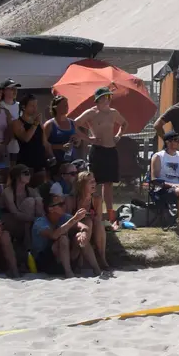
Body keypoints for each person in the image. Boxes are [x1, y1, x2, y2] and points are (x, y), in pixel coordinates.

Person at [74, 87, 127, 230]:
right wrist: (88, 139)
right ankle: (94, 214)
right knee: (94, 183)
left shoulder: (113, 112)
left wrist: (118, 136)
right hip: (97, 150)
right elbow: (75, 124)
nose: (107, 100)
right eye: (104, 97)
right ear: (97, 99)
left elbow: (124, 123)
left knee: (108, 184)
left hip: (111, 150)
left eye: (108, 97)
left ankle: (110, 216)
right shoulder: (91, 112)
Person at [31, 195, 100, 277]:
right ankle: (68, 273)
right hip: (47, 264)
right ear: (51, 209)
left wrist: (84, 233)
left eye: (64, 203)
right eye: (60, 204)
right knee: (62, 238)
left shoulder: (64, 217)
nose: (64, 206)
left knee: (79, 236)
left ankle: (97, 270)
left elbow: (83, 226)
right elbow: (54, 235)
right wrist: (74, 219)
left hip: (67, 260)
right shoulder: (40, 223)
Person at [70, 170, 111, 272]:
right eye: (90, 182)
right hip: (76, 227)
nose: (94, 184)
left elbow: (98, 218)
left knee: (98, 223)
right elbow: (68, 219)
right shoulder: (72, 199)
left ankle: (102, 257)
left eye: (94, 181)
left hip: (91, 228)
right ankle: (82, 257)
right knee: (88, 222)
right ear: (82, 184)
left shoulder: (96, 199)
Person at [0, 163, 44, 248]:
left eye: (29, 173)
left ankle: (35, 239)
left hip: (27, 221)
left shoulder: (31, 190)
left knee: (38, 200)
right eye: (26, 173)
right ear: (17, 176)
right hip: (10, 221)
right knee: (30, 202)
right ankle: (29, 243)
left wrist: (40, 219)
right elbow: (15, 213)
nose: (29, 175)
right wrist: (35, 219)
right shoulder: (8, 191)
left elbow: (41, 206)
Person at [9, 94, 50, 185]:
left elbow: (45, 143)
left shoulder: (39, 124)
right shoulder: (17, 123)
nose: (35, 108)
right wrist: (35, 124)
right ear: (24, 107)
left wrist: (51, 156)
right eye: (32, 106)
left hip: (40, 161)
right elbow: (25, 138)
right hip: (26, 161)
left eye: (36, 106)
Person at [44, 95, 81, 164]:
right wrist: (61, 147)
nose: (66, 107)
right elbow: (43, 145)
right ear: (55, 107)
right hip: (56, 162)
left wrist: (77, 141)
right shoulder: (49, 124)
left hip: (72, 162)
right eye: (63, 105)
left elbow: (78, 143)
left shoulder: (72, 123)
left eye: (67, 104)